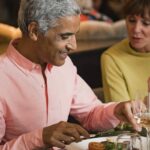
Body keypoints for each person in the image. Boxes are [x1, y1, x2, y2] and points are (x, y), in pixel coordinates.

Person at [0, 0, 142, 149]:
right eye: (64, 36)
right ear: (34, 31)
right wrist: (40, 138)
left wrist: (116, 111)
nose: (73, 46)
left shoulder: (64, 65)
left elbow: (90, 113)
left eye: (75, 35)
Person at [101, 0, 150, 102]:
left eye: (146, 23)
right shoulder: (112, 58)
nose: (136, 29)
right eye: (132, 20)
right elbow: (122, 114)